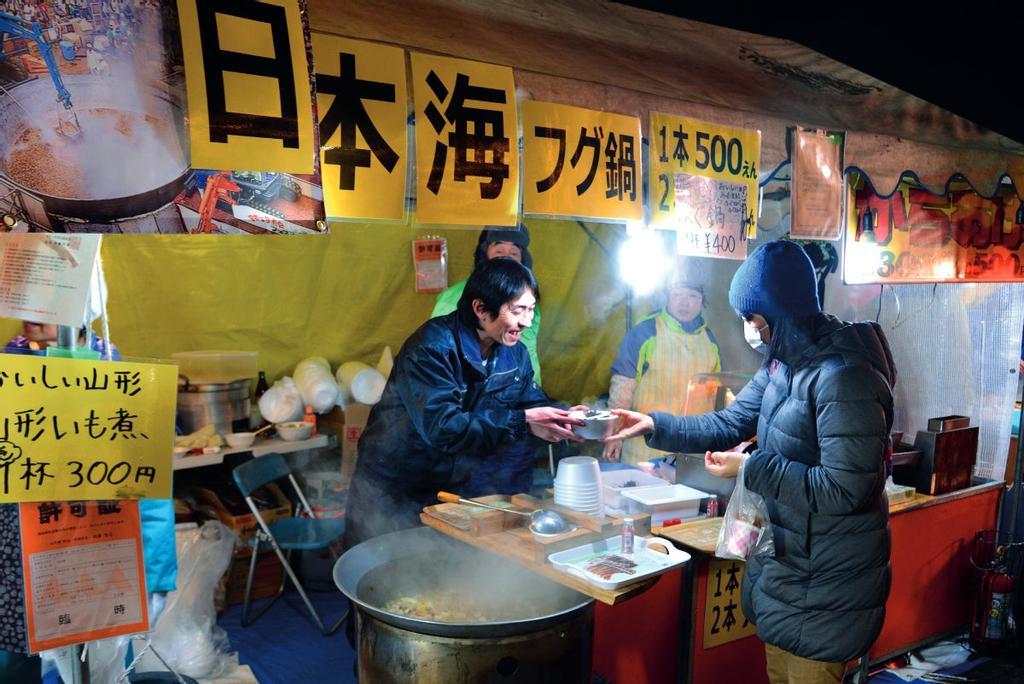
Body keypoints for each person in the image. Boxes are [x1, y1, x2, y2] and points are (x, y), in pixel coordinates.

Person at [606, 240, 896, 683]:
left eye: (753, 318)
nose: (750, 329)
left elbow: (844, 488)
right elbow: (730, 421)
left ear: (782, 312)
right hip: (788, 571)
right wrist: (652, 424)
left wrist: (750, 469)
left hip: (829, 587)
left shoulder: (844, 377)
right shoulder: (784, 365)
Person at [343, 259, 584, 548]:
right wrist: (523, 421)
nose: (527, 321)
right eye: (518, 310)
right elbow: (442, 427)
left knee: (439, 570)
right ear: (480, 309)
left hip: (449, 484)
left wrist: (565, 416)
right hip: (394, 482)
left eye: (531, 309)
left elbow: (530, 400)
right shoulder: (432, 347)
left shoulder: (513, 354)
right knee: (380, 568)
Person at [432, 225, 545, 496]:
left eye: (514, 252)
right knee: (475, 496)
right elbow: (446, 418)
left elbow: (524, 358)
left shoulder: (526, 304)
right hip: (477, 418)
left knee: (514, 494)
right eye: (499, 250)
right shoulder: (448, 313)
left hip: (517, 405)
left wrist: (555, 413)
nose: (506, 257)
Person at [602, 261, 720, 464]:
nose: (685, 303)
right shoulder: (645, 333)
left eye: (693, 296)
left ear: (703, 302)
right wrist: (616, 434)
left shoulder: (709, 341)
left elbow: (717, 394)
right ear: (667, 297)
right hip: (645, 451)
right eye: (677, 294)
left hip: (693, 453)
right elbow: (622, 388)